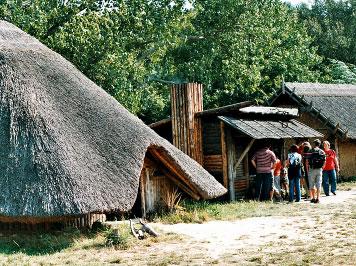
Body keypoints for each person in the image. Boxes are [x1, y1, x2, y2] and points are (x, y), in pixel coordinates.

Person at [307, 139, 326, 203]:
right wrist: (322, 168)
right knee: (318, 184)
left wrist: (307, 169)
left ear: (314, 144)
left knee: (311, 184)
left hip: (312, 169)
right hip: (319, 169)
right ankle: (318, 198)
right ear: (319, 144)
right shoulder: (322, 152)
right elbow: (324, 161)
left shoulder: (310, 151)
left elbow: (307, 161)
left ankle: (313, 198)